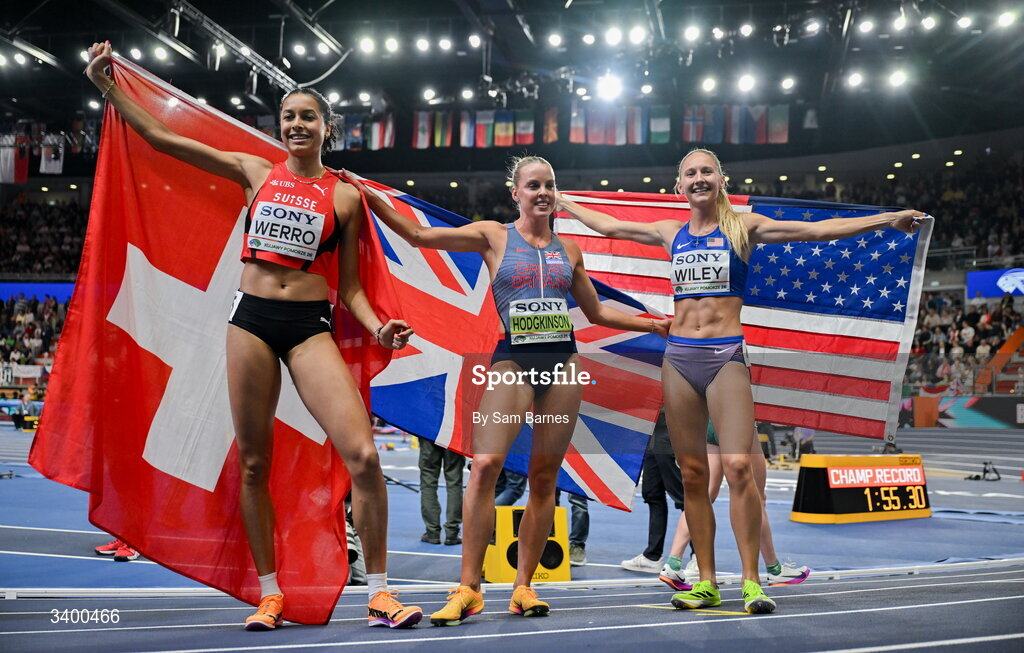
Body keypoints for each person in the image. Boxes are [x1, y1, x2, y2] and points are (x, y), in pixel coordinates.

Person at [84, 42, 422, 631]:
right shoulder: (253, 172)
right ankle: (270, 593)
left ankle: (381, 592)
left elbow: (351, 289)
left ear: (326, 128)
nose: (296, 124)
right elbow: (166, 141)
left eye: (307, 116)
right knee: (252, 464)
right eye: (288, 116)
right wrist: (107, 86)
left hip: (308, 328)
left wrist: (378, 327)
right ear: (280, 125)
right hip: (252, 324)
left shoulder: (345, 198)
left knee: (364, 455)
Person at [558, 147, 923, 614]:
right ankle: (706, 580)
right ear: (679, 186)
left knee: (737, 469)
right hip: (679, 359)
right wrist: (562, 202)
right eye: (690, 173)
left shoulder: (743, 227)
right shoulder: (670, 232)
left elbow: (815, 231)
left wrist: (886, 220)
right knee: (692, 476)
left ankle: (752, 581)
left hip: (725, 357)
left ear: (721, 179)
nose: (698, 178)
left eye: (706, 171)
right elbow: (608, 226)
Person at [342, 156, 670, 625]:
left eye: (549, 185)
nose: (542, 193)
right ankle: (469, 588)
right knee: (486, 465)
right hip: (513, 360)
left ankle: (523, 587)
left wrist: (654, 324)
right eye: (532, 185)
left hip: (563, 365)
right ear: (515, 192)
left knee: (544, 478)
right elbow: (418, 236)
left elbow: (596, 314)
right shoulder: (493, 235)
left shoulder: (570, 250)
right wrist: (372, 198)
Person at [658, 421, 810, 592]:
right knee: (756, 498)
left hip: (707, 422)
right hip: (735, 419)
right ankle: (774, 570)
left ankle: (673, 563)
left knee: (704, 496)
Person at [620, 410, 690, 577]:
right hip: (651, 431)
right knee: (652, 494)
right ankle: (652, 556)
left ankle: (698, 557)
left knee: (685, 499)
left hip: (669, 430)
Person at [418, 436, 466, 545]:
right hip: (453, 431)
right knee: (455, 482)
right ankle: (452, 533)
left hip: (428, 429)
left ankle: (432, 532)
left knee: (428, 483)